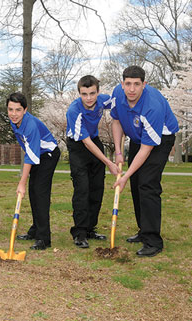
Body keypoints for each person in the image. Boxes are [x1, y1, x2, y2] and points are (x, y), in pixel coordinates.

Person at [111, 65, 179, 257]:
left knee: (147, 184)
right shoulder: (118, 94)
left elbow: (147, 149)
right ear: (122, 84)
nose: (131, 89)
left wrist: (125, 176)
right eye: (128, 84)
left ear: (144, 85)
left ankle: (153, 241)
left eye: (137, 84)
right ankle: (143, 230)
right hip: (138, 136)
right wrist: (118, 152)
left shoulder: (152, 107)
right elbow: (116, 120)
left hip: (160, 140)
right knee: (136, 184)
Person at [65, 75, 120, 249]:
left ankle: (90, 229)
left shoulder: (103, 100)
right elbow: (85, 142)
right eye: (84, 94)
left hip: (95, 141)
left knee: (97, 188)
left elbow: (121, 105)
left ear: (98, 91)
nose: (89, 98)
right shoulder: (74, 110)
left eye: (92, 93)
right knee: (82, 189)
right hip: (78, 146)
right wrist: (109, 163)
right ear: (79, 93)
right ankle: (79, 233)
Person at [7, 92, 61, 250]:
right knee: (33, 192)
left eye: (18, 110)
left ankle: (44, 239)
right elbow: (29, 150)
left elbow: (30, 157)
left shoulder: (30, 125)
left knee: (40, 192)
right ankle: (35, 229)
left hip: (48, 155)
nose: (14, 114)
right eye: (10, 109)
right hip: (38, 154)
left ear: (25, 110)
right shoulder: (14, 122)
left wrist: (22, 182)